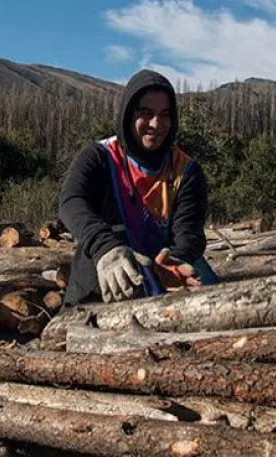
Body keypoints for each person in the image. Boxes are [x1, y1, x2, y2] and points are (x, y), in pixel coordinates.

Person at [58, 69, 217, 306]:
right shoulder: (98, 157)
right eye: (146, 113)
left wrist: (176, 260)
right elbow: (71, 202)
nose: (156, 124)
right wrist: (105, 248)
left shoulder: (186, 170)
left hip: (171, 287)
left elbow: (189, 232)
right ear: (128, 114)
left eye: (165, 114)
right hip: (104, 279)